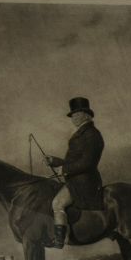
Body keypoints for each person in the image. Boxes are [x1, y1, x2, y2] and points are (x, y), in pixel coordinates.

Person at [48, 98, 106, 241]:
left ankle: (60, 240)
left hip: (85, 181)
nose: (73, 118)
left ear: (86, 115)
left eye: (76, 114)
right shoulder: (82, 133)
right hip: (76, 178)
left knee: (57, 203)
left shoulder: (91, 134)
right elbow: (75, 161)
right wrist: (55, 161)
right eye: (72, 116)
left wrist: (64, 169)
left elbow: (88, 163)